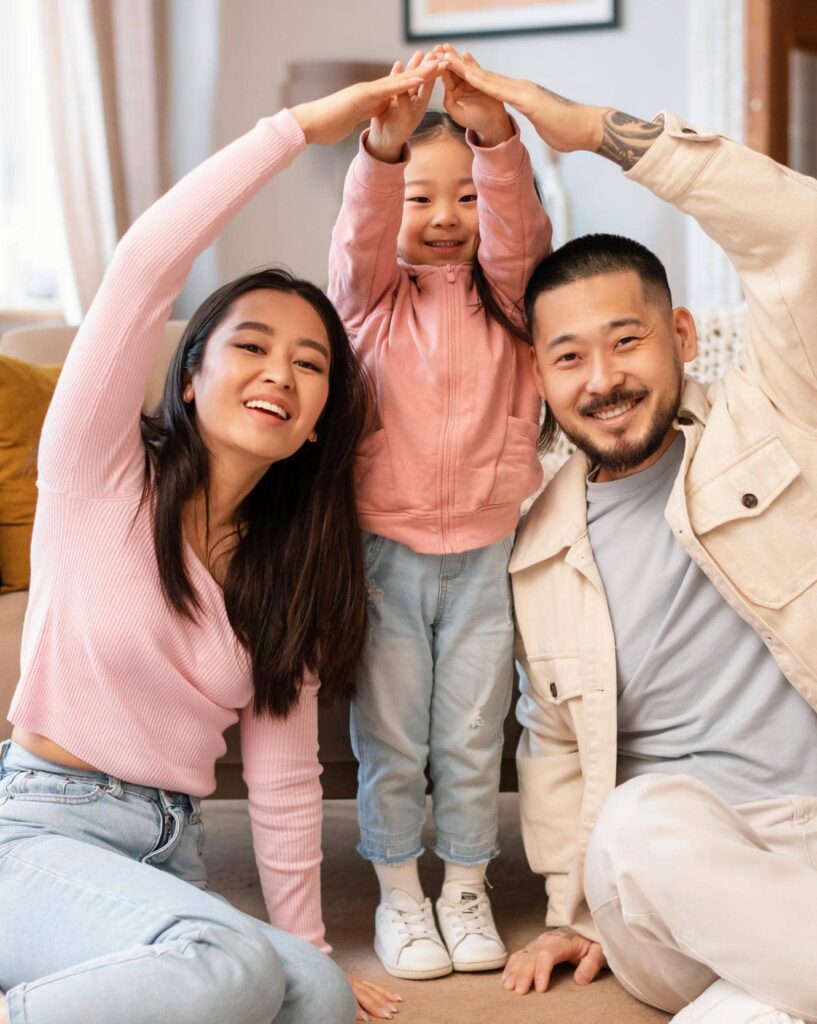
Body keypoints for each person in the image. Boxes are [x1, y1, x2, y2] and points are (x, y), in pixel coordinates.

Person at [0, 65, 439, 1024]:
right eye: (250, 345)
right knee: (226, 966)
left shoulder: (294, 568)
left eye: (311, 361)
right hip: (35, 829)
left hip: (172, 849)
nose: (280, 370)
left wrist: (311, 951)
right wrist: (299, 129)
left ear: (321, 418)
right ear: (188, 374)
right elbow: (144, 263)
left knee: (314, 995)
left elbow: (283, 784)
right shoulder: (94, 472)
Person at [437, 48, 817, 1024]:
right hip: (672, 878)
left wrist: (595, 130)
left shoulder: (773, 414)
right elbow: (553, 747)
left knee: (743, 1006)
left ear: (683, 336)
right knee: (642, 821)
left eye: (626, 340)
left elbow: (797, 236)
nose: (601, 379)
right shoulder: (534, 548)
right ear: (539, 378)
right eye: (568, 356)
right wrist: (571, 910)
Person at [328, 50, 551, 982]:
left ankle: (464, 884)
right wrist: (383, 146)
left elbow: (521, 238)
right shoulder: (365, 305)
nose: (447, 217)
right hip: (386, 552)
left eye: (465, 197)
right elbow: (358, 235)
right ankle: (397, 895)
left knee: (468, 733)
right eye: (422, 199)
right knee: (389, 738)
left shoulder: (512, 303)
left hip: (489, 553)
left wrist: (492, 132)